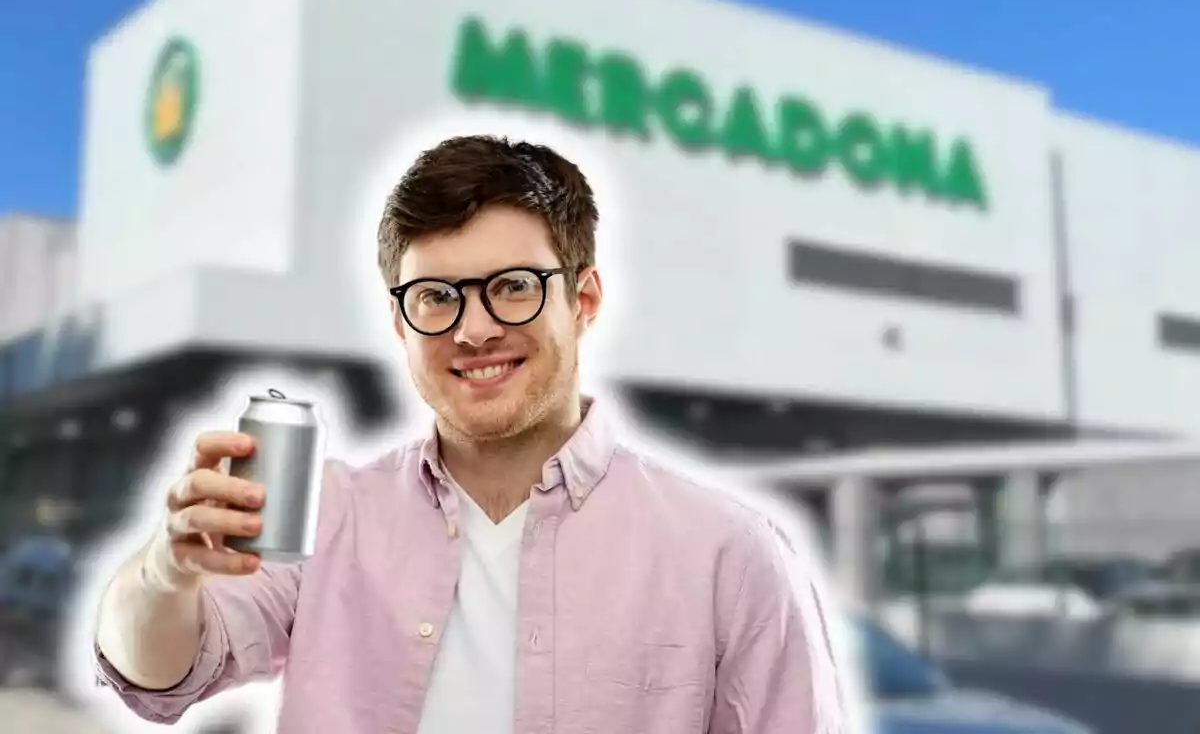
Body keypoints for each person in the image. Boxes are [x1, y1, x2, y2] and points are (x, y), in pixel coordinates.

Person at [93, 135, 855, 733]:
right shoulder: (326, 518)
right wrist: (167, 572)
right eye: (435, 297)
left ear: (583, 299)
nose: (476, 328)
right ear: (399, 320)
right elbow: (161, 677)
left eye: (514, 287)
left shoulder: (728, 552)